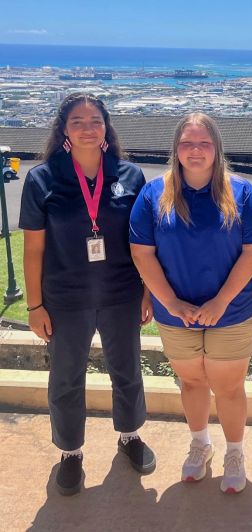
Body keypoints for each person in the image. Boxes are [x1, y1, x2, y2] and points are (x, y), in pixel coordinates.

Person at [19, 92, 155, 496]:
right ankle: (70, 452)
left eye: (94, 120)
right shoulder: (43, 178)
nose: (87, 128)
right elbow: (33, 249)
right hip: (65, 298)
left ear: (106, 127)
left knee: (127, 369)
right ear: (64, 129)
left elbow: (143, 241)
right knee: (65, 378)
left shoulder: (130, 175)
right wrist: (34, 305)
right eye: (77, 121)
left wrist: (147, 291)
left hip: (122, 293)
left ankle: (129, 435)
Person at [129, 112, 252, 494]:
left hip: (233, 310)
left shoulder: (242, 193)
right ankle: (200, 443)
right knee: (191, 382)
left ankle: (234, 452)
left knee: (228, 386)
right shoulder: (154, 194)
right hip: (176, 312)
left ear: (216, 149)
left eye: (204, 143)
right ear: (176, 148)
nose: (195, 151)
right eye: (187, 143)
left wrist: (221, 302)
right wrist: (171, 303)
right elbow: (143, 253)